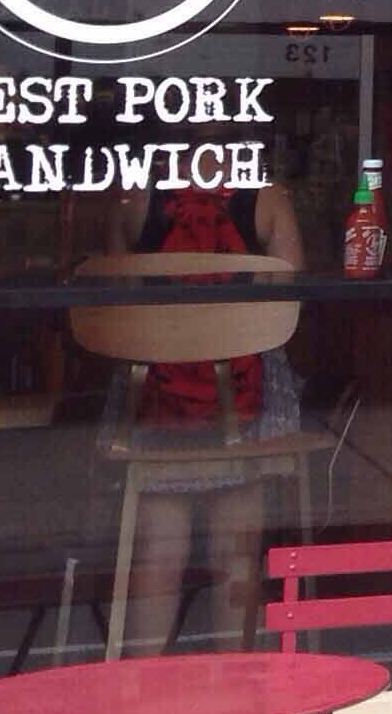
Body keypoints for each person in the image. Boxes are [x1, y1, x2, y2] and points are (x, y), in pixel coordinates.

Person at [99, 182, 307, 654]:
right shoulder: (269, 199)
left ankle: (137, 690)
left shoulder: (132, 198)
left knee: (159, 552)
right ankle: (239, 686)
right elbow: (290, 305)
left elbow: (115, 309)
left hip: (156, 400)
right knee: (237, 554)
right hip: (243, 400)